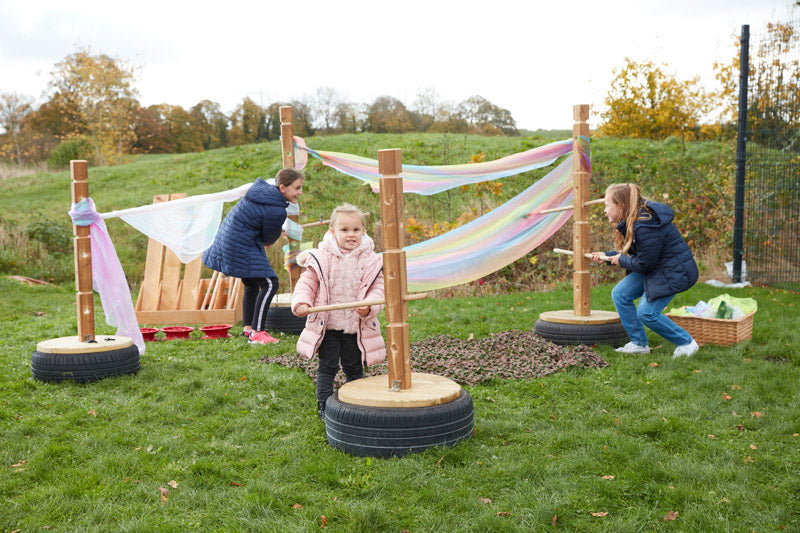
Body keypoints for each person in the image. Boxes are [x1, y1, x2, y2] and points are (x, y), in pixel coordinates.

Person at [291, 204, 386, 419]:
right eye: (344, 230)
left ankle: (358, 404)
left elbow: (378, 289)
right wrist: (302, 303)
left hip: (356, 326)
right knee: (328, 367)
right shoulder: (321, 257)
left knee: (354, 367)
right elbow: (307, 283)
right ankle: (324, 406)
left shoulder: (371, 260)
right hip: (329, 325)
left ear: (364, 231)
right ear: (333, 232)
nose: (350, 234)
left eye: (356, 230)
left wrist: (369, 306)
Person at [590, 183, 700, 358]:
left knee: (646, 313)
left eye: (607, 205)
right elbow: (639, 255)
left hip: (673, 272)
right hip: (656, 266)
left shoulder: (644, 225)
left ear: (621, 206)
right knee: (620, 294)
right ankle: (639, 343)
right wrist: (607, 256)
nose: (605, 210)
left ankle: (687, 343)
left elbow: (644, 263)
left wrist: (620, 260)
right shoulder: (636, 219)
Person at [202, 168, 304, 345]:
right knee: (270, 283)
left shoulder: (261, 193)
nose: (300, 192)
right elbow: (268, 239)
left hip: (230, 238)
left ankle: (248, 329)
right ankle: (258, 332)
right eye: (296, 188)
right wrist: (281, 232)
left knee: (251, 283)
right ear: (282, 188)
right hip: (241, 242)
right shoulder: (276, 209)